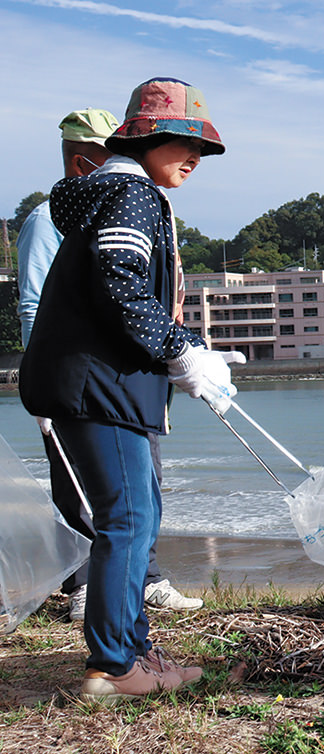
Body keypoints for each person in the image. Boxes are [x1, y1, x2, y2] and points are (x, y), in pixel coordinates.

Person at [20, 77, 243, 703]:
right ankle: (116, 665)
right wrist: (180, 353)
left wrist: (191, 349)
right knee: (128, 520)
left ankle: (136, 652)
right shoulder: (131, 194)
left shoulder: (112, 193)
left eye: (201, 148)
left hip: (95, 383)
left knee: (136, 517)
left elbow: (116, 288)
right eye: (178, 142)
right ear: (142, 140)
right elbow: (121, 283)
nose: (193, 158)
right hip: (101, 386)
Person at [17, 108, 204, 622]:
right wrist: (50, 393)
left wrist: (178, 349)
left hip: (131, 375)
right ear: (84, 162)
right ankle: (92, 601)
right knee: (91, 494)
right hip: (86, 381)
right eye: (114, 155)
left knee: (139, 493)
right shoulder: (57, 217)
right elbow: (42, 305)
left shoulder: (136, 200)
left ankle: (142, 583)